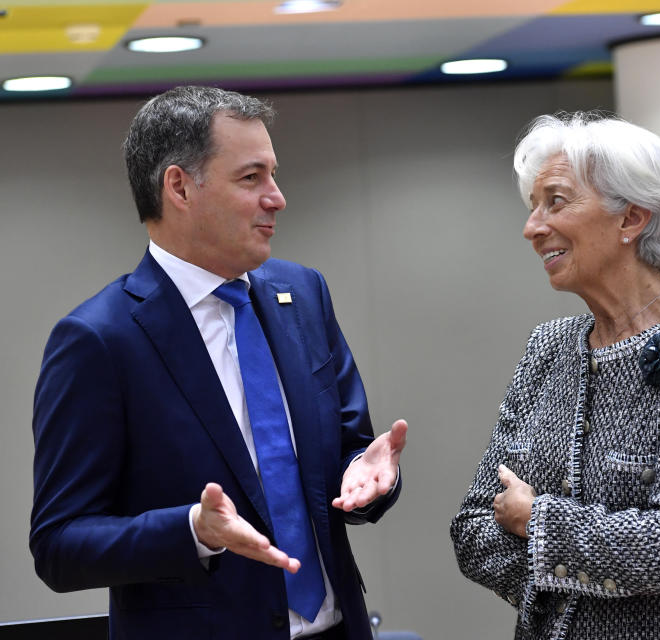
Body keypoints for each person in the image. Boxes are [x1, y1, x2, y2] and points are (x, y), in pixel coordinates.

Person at [30, 85, 407, 640]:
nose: (277, 197)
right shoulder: (98, 339)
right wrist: (193, 531)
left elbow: (352, 447)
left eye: (273, 175)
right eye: (252, 178)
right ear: (179, 186)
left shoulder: (302, 294)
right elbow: (60, 545)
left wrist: (369, 476)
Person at [450, 112, 660, 639]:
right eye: (532, 208)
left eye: (556, 201)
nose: (532, 229)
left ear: (630, 219)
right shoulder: (548, 349)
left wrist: (536, 521)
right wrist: (596, 563)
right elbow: (475, 529)